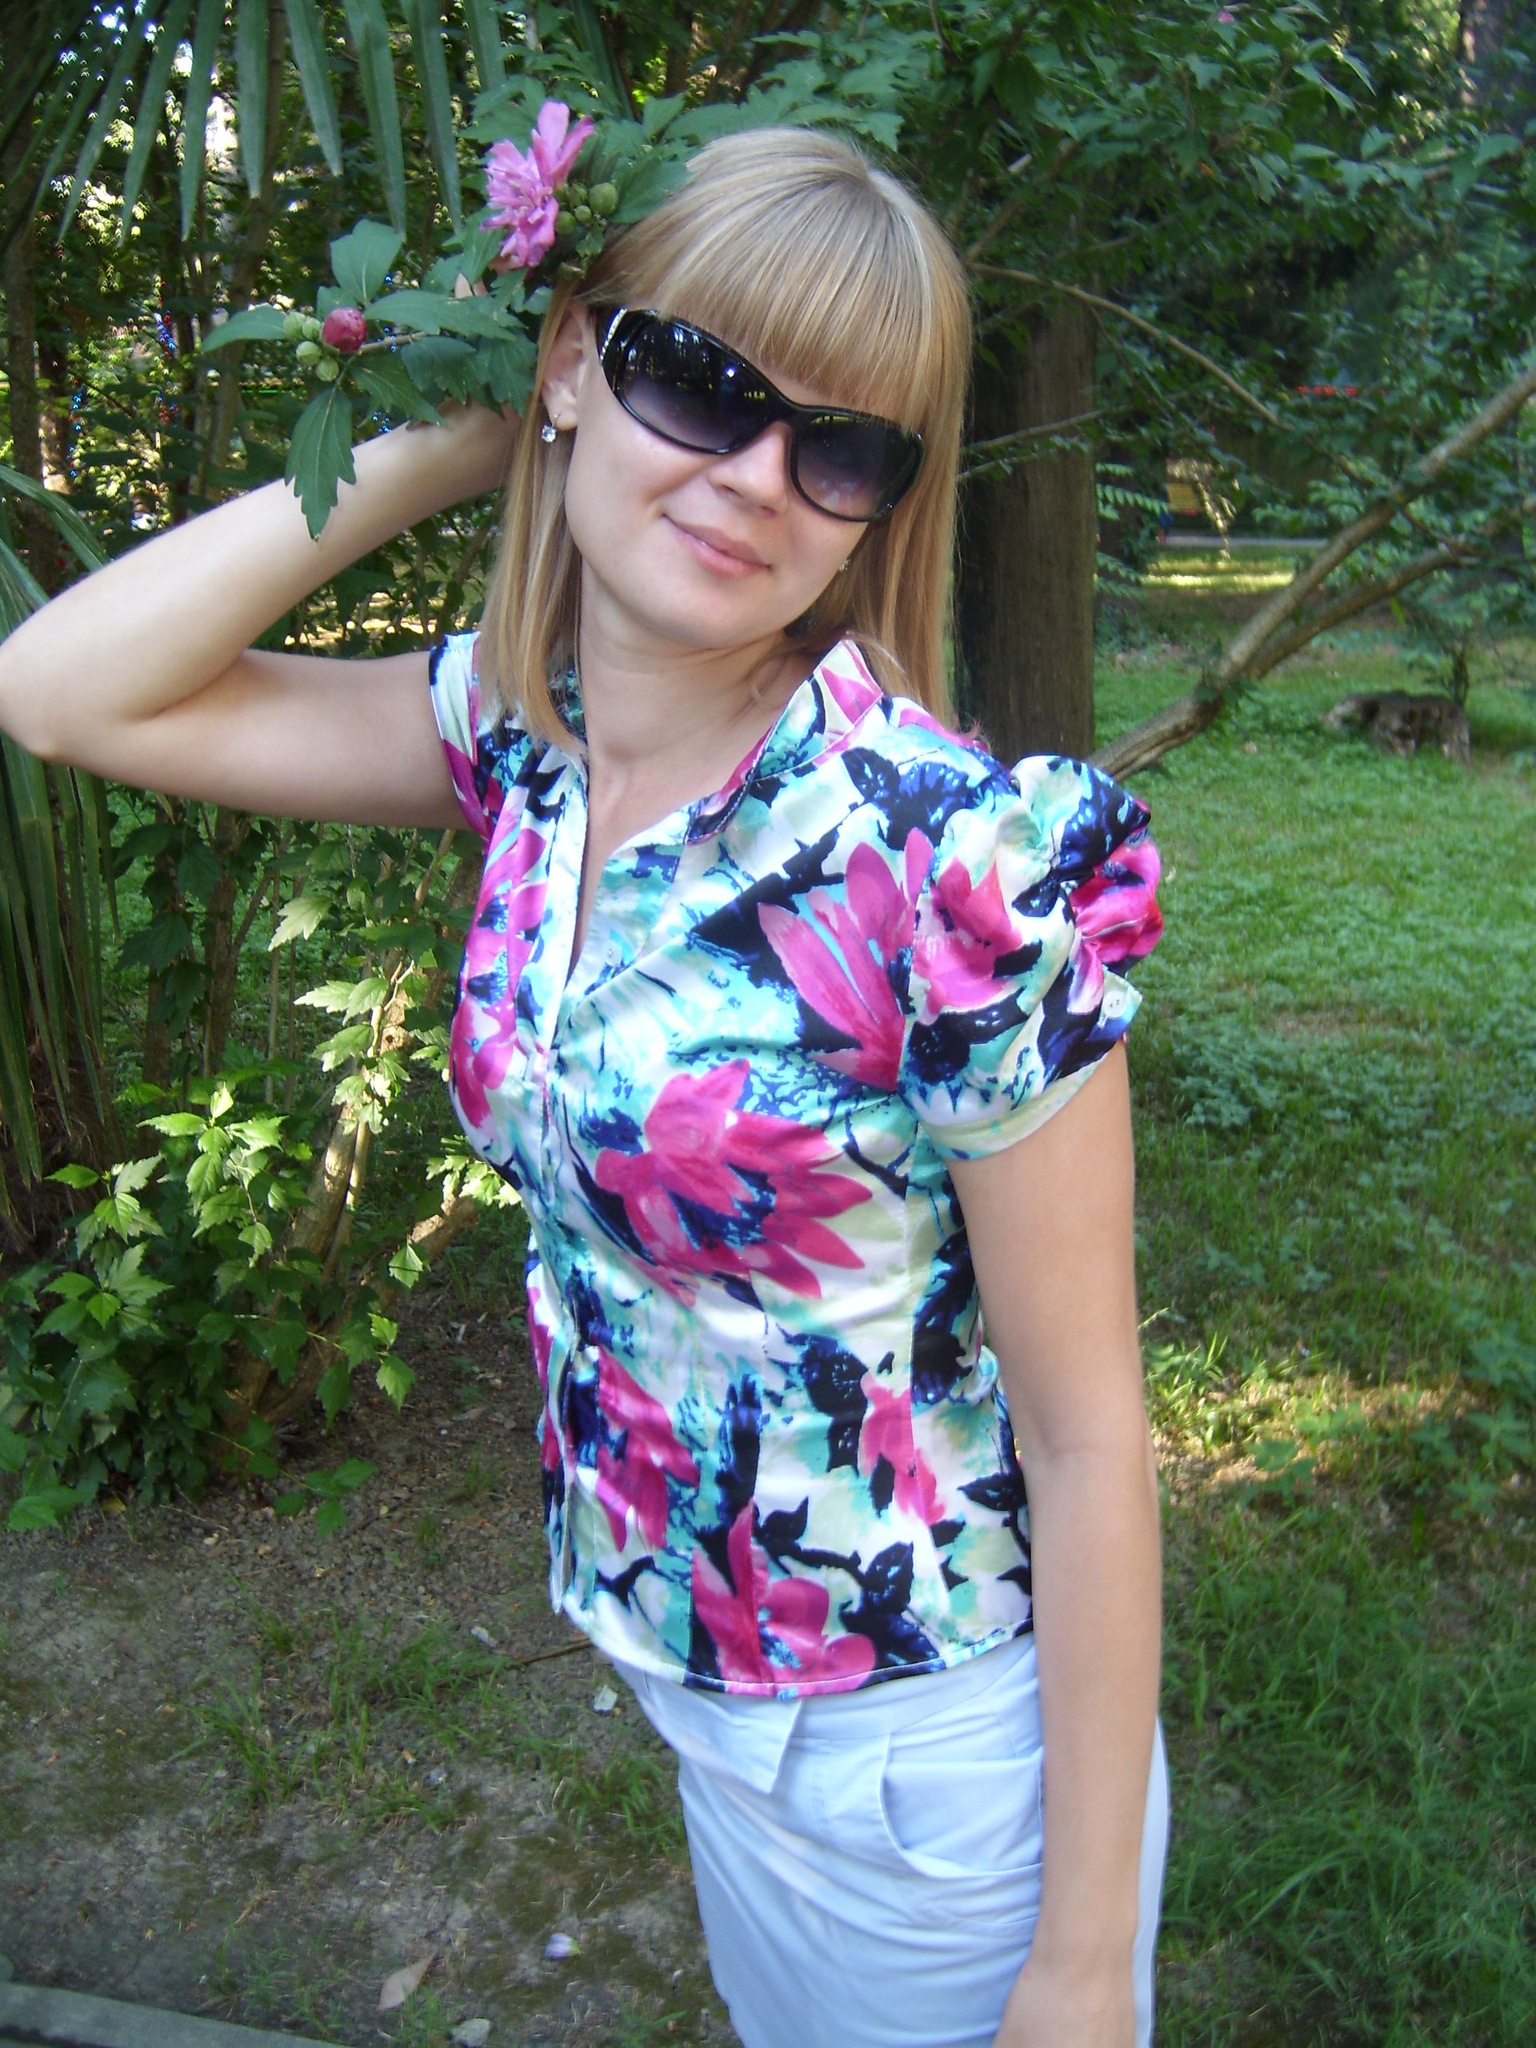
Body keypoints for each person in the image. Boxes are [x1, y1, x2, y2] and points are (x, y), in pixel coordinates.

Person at [0, 128, 1167, 2048]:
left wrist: (1080, 1967)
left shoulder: (947, 862)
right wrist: (437, 440)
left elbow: (1089, 1432)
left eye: (840, 447)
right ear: (569, 365)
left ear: (880, 506)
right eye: (695, 381)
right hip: (707, 1701)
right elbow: (66, 691)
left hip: (918, 1771)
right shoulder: (526, 742)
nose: (757, 475)